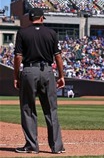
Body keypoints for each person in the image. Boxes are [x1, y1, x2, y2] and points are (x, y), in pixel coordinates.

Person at [13, 8, 65, 154]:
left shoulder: (22, 32)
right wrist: (61, 75)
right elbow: (58, 56)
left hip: (29, 71)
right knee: (51, 110)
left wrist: (16, 76)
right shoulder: (51, 33)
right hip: (48, 72)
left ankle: (31, 146)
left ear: (30, 18)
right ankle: (57, 147)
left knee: (28, 109)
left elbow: (18, 57)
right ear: (42, 18)